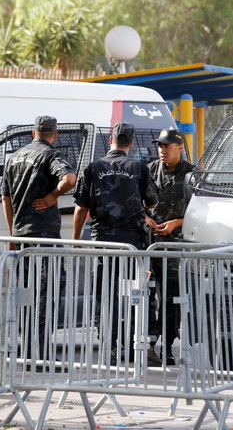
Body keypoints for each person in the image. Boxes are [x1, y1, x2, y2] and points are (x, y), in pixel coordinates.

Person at [72, 122, 158, 364]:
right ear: (130, 143)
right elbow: (151, 202)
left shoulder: (93, 168)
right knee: (133, 293)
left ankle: (108, 346)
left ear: (112, 139)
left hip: (103, 242)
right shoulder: (139, 168)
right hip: (132, 242)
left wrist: (76, 240)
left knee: (105, 294)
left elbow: (81, 209)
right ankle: (132, 345)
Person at [0, 115, 76, 363]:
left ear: (33, 133)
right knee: (47, 293)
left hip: (21, 236)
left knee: (27, 293)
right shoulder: (50, 155)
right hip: (43, 236)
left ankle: (26, 349)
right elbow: (69, 179)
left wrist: (12, 233)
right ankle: (40, 353)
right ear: (54, 135)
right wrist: (54, 195)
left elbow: (6, 198)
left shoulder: (14, 158)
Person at [145, 129, 194, 366]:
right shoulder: (150, 170)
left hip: (175, 248)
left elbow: (201, 211)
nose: (162, 150)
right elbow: (137, 201)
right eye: (160, 146)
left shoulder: (192, 175)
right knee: (146, 295)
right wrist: (145, 218)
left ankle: (167, 345)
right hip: (149, 246)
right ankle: (148, 343)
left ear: (179, 147)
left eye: (167, 146)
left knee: (170, 299)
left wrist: (177, 222)